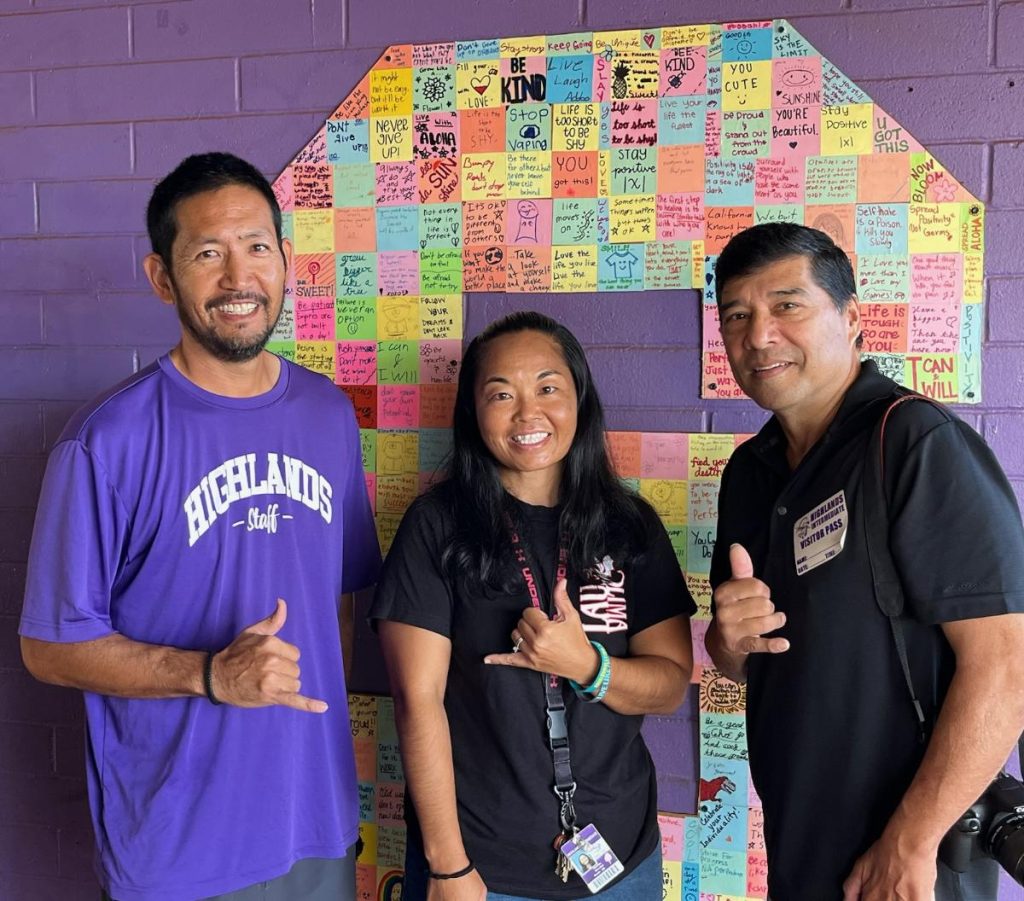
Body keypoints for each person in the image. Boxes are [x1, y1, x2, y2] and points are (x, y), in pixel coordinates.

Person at [19, 152, 381, 901]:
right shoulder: (105, 440)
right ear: (162, 277)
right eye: (206, 254)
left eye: (255, 246)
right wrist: (211, 674)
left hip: (312, 822)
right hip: (180, 845)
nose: (237, 277)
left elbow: (340, 602)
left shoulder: (328, 415)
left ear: (285, 259)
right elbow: (49, 646)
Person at [705, 222, 1024, 901]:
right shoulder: (749, 472)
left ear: (852, 318)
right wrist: (728, 640)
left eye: (787, 304)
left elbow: (1007, 666)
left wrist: (908, 843)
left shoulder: (914, 443)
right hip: (802, 846)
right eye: (737, 314)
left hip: (911, 863)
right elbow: (746, 659)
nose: (759, 334)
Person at [370, 312, 695, 900]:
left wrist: (587, 668)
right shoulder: (436, 526)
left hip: (621, 859)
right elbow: (417, 705)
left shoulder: (628, 524)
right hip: (482, 867)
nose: (528, 413)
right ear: (473, 412)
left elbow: (670, 684)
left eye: (548, 387)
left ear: (579, 400)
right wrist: (447, 867)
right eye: (501, 394)